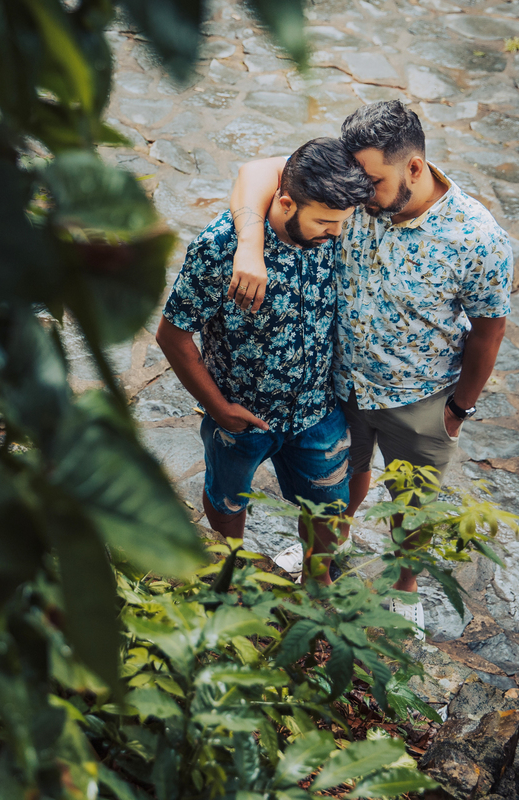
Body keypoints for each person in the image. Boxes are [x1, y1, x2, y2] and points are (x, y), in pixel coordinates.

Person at [225, 101, 512, 633]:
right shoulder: (355, 194)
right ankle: (334, 545)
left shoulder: (478, 238)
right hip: (340, 383)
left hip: (420, 396)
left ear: (414, 168)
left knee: (412, 499)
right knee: (343, 478)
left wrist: (459, 409)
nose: (359, 195)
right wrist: (248, 243)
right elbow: (257, 171)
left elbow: (489, 330)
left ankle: (405, 583)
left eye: (373, 181)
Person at [155, 137, 375, 585]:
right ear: (287, 202)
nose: (336, 234)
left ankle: (317, 579)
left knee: (329, 505)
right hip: (240, 415)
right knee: (227, 498)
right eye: (326, 223)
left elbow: (269, 167)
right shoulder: (218, 249)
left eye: (341, 224)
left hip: (317, 411)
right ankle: (228, 569)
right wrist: (219, 409)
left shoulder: (332, 231)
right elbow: (172, 335)